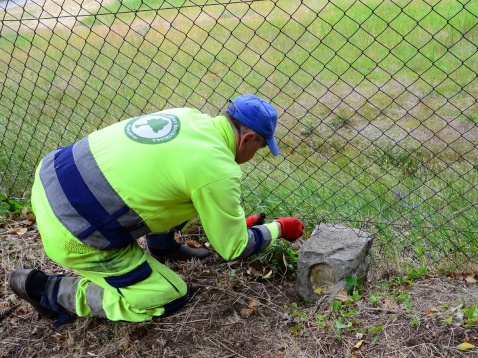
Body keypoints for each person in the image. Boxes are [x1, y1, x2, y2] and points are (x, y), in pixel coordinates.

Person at [9, 94, 304, 326]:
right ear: (248, 139)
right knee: (168, 296)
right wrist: (279, 228)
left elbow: (164, 183)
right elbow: (234, 248)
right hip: (74, 232)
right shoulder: (219, 170)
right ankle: (49, 291)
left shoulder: (188, 117)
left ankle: (162, 246)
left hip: (49, 178)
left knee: (170, 191)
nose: (255, 155)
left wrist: (233, 221)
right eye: (262, 148)